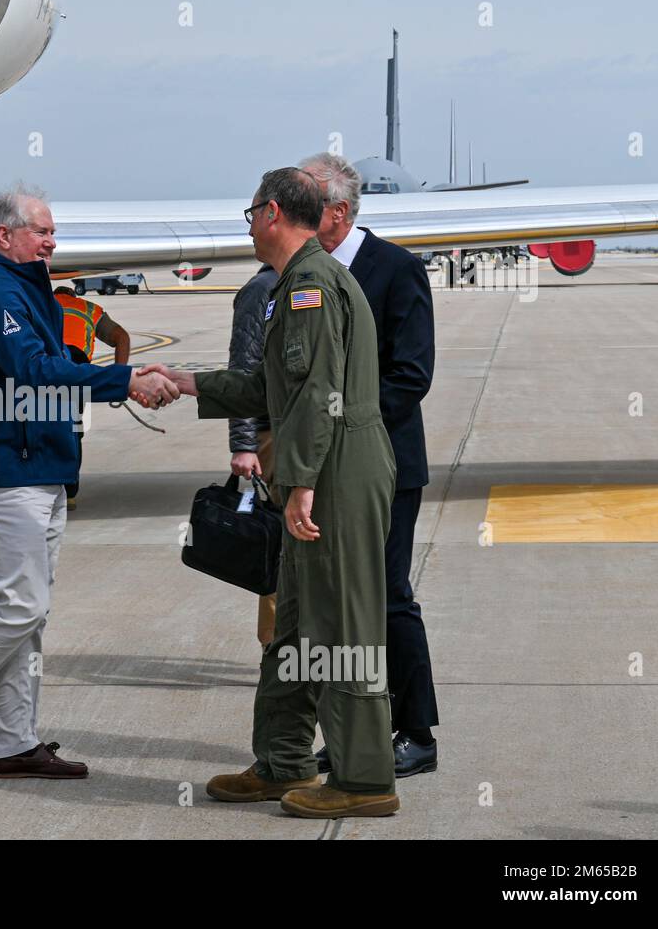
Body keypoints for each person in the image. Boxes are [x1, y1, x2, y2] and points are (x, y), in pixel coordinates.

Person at [0, 184, 178, 785]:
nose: (53, 241)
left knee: (29, 615)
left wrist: (119, 375)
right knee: (18, 604)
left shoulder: (31, 290)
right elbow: (35, 370)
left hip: (39, 468)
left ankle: (16, 745)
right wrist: (125, 381)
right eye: (42, 231)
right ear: (4, 236)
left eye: (53, 232)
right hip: (1, 471)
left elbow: (59, 367)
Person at [143, 167, 399, 818]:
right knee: (293, 630)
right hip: (321, 468)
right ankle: (284, 761)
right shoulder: (294, 285)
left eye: (251, 211)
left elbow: (317, 396)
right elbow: (268, 389)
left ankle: (365, 782)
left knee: (341, 630)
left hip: (337, 473)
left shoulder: (312, 287)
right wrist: (186, 381)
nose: (249, 223)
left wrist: (303, 484)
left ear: (274, 212)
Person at [299, 152, 438, 778]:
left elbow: (412, 375)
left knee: (387, 598)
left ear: (339, 212)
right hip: (326, 468)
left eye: (305, 204)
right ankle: (363, 730)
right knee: (343, 604)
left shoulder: (396, 269)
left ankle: (416, 732)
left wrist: (340, 423)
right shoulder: (307, 272)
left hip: (384, 465)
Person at [227, 265, 279, 646]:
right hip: (271, 433)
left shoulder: (311, 277)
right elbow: (243, 370)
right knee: (280, 542)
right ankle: (276, 648)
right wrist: (244, 444)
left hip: (305, 434)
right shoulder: (262, 289)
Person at [52, 285, 131, 504]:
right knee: (74, 429)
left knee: (39, 423)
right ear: (74, 295)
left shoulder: (40, 303)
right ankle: (69, 493)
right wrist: (118, 376)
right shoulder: (88, 308)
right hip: (76, 370)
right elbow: (121, 337)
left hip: (47, 366)